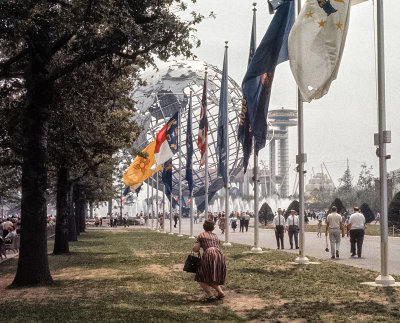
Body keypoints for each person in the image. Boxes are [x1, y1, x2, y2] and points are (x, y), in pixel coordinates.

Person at [192, 220, 226, 301]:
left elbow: (196, 249)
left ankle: (210, 295)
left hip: (209, 254)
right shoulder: (215, 236)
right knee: (213, 276)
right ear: (213, 228)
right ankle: (220, 293)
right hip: (219, 255)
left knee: (201, 276)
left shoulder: (201, 235)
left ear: (204, 226)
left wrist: (194, 247)